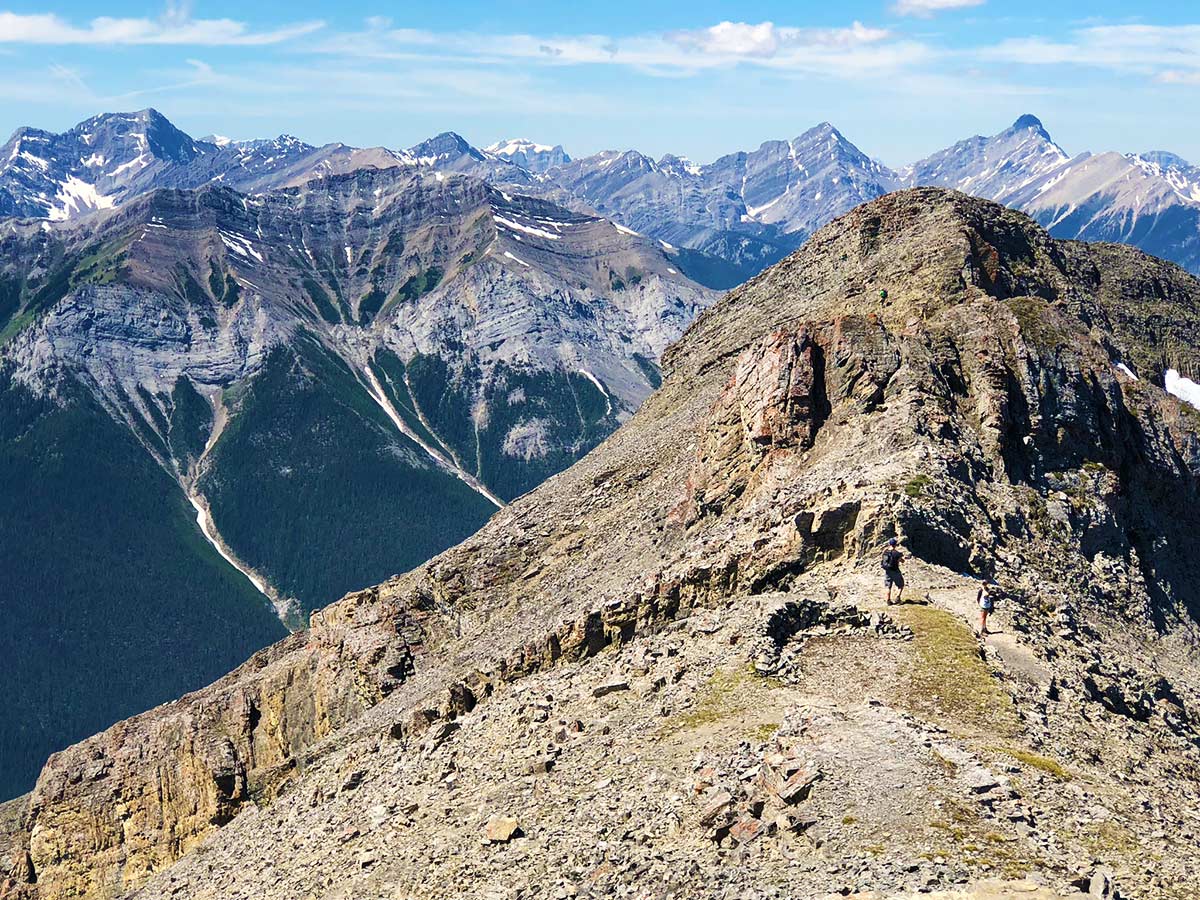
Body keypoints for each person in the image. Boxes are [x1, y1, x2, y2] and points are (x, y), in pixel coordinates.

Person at [881, 537, 904, 604]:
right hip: (895, 571)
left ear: (889, 544)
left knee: (888, 586)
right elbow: (902, 561)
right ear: (895, 544)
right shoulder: (897, 553)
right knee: (900, 585)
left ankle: (888, 600)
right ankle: (898, 598)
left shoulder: (885, 552)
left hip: (887, 571)